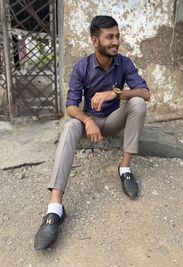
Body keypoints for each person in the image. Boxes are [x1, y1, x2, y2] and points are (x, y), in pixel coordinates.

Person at [34, 15, 150, 250]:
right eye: (110, 37)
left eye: (117, 36)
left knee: (138, 102)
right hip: (90, 123)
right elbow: (70, 106)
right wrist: (87, 120)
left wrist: (116, 93)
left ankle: (125, 167)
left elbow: (145, 93)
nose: (115, 42)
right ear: (95, 41)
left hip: (113, 120)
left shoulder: (124, 63)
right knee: (69, 126)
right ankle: (55, 209)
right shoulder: (82, 67)